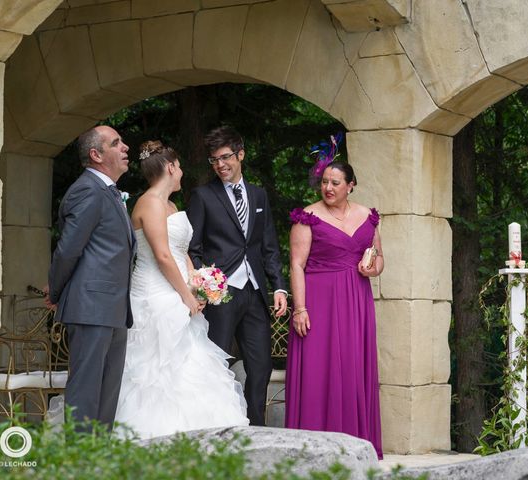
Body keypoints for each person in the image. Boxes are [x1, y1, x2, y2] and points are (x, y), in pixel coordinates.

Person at [114, 140, 248, 439]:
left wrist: (198, 281)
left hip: (177, 291)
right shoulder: (148, 203)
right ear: (171, 167)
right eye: (180, 167)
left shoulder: (171, 205)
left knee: (191, 365)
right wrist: (186, 295)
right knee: (156, 371)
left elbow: (180, 250)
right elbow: (162, 255)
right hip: (154, 295)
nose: (182, 172)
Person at [187, 126, 287, 427]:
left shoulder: (258, 195)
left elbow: (268, 246)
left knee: (261, 367)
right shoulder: (203, 196)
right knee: (216, 362)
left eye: (226, 157)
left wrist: (278, 288)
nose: (220, 165)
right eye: (214, 160)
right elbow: (193, 248)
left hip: (254, 292)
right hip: (221, 293)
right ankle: (213, 426)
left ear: (240, 154)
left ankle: (254, 428)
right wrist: (207, 285)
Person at [285, 157, 384, 459]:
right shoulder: (308, 217)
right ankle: (313, 446)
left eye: (335, 183)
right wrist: (300, 308)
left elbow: (379, 258)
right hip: (319, 299)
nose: (327, 187)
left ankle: (354, 443)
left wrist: (373, 269)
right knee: (319, 368)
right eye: (324, 182)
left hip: (356, 298)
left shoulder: (369, 217)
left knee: (353, 365)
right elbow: (296, 265)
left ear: (350, 186)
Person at [47, 125, 136, 429]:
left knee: (107, 395)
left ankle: (100, 463)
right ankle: (80, 464)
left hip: (113, 309)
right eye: (116, 143)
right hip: (90, 307)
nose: (125, 147)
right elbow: (67, 250)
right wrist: (56, 292)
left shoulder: (108, 191)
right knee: (85, 394)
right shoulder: (87, 189)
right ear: (96, 155)